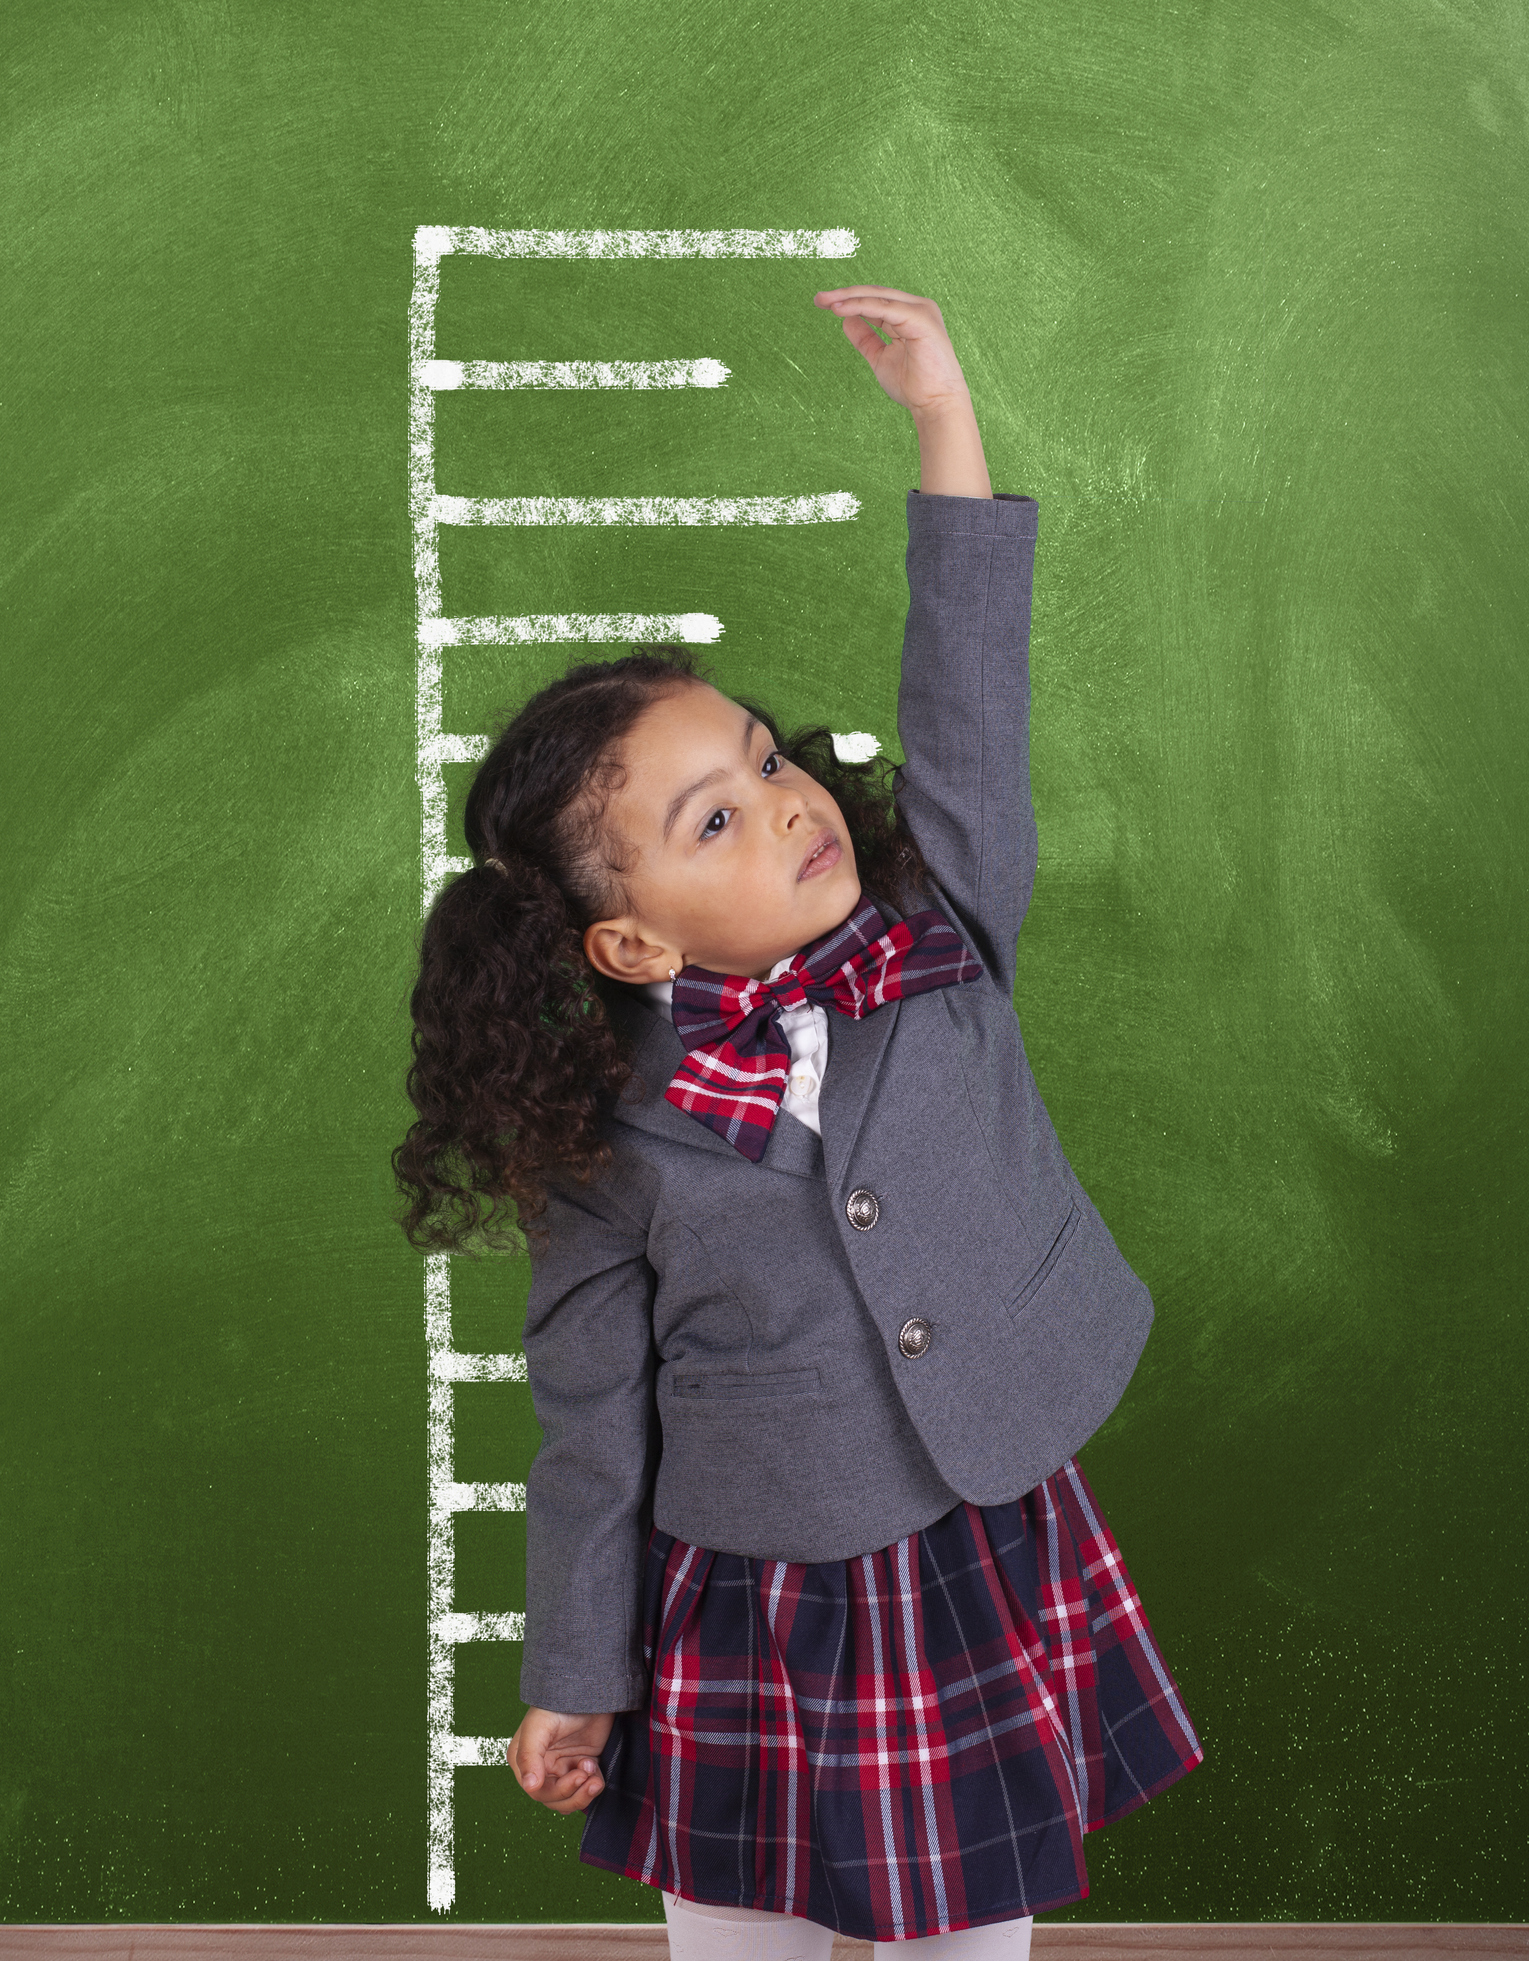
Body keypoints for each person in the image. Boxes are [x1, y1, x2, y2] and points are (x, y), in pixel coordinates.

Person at [394, 285, 1203, 1958]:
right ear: (630, 942)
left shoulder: (941, 936)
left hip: (974, 1528)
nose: (784, 806)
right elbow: (594, 1426)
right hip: (751, 1591)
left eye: (767, 765)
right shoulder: (611, 1139)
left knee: (968, 1924)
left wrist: (942, 421)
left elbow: (967, 697)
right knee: (742, 1933)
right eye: (714, 818)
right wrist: (569, 1678)